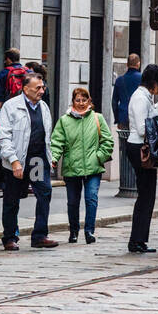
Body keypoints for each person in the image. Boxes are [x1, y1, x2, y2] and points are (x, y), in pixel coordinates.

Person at [0, 71, 59, 250]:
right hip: (17, 161)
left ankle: (39, 235)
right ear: (25, 89)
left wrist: (51, 156)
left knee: (44, 193)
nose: (42, 90)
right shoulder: (11, 106)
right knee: (11, 199)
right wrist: (14, 161)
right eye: (38, 87)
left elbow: (48, 136)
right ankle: (9, 237)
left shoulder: (44, 107)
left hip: (37, 161)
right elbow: (3, 138)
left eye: (43, 87)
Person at [50, 86, 114, 244]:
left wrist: (99, 157)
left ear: (89, 101)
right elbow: (57, 142)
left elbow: (108, 141)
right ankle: (73, 231)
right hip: (72, 168)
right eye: (77, 100)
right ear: (72, 101)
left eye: (84, 100)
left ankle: (89, 231)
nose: (81, 103)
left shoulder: (97, 118)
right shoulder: (64, 121)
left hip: (93, 168)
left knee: (91, 198)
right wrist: (54, 158)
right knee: (72, 202)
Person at [125, 64, 158, 253]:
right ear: (154, 83)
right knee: (145, 195)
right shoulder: (140, 99)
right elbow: (144, 129)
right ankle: (136, 240)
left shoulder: (145, 97)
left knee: (147, 195)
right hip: (139, 147)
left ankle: (140, 239)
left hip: (141, 147)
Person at [112, 54, 143, 129]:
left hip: (123, 116)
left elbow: (114, 102)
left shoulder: (119, 80)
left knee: (123, 140)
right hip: (138, 117)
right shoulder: (143, 78)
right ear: (138, 64)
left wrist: (117, 119)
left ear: (127, 64)